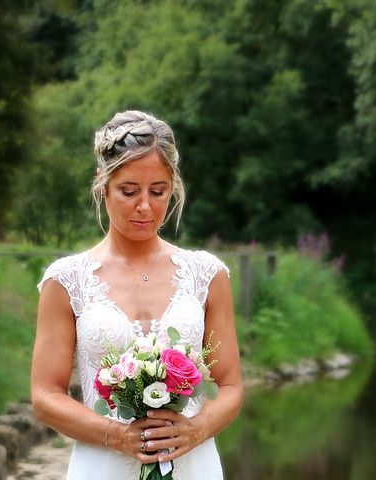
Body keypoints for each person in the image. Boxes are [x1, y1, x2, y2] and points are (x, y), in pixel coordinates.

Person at [31, 110, 243, 479]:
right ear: (103, 184)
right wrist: (119, 436)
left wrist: (197, 428)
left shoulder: (206, 275)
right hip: (103, 464)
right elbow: (45, 396)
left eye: (158, 192)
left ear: (173, 188)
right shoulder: (67, 281)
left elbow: (231, 385)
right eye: (129, 191)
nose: (144, 206)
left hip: (193, 463)